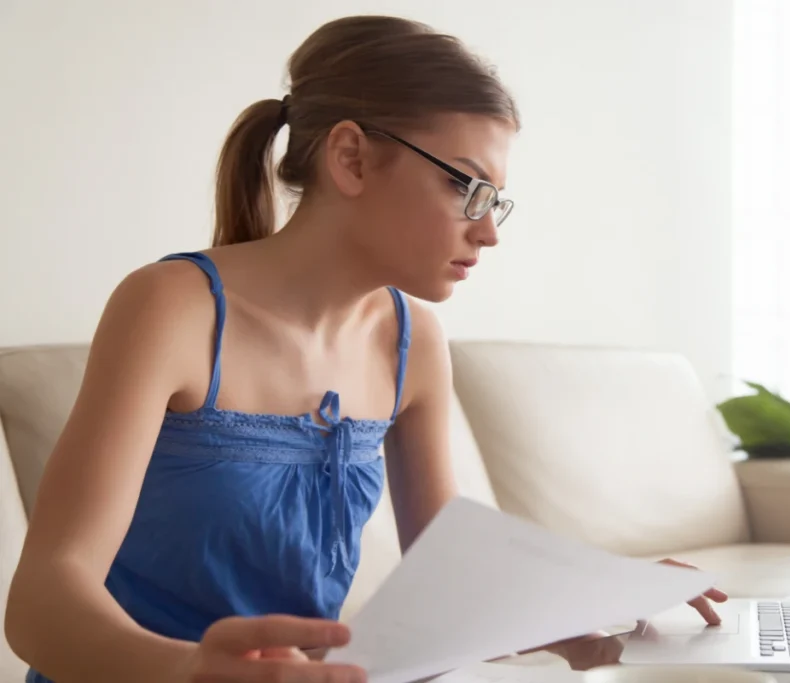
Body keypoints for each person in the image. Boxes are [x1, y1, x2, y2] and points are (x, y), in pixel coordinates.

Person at [4, 14, 726, 683]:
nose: (488, 232)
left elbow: (444, 586)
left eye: (495, 201)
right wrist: (193, 670)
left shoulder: (413, 345)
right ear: (350, 157)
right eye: (466, 187)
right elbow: (40, 605)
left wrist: (595, 598)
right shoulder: (171, 309)